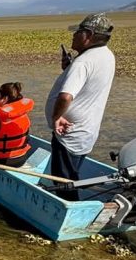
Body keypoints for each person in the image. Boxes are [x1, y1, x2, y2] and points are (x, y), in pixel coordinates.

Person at [45, 12, 116, 200]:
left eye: (78, 32)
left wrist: (56, 118)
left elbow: (66, 96)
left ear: (89, 36)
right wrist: (69, 67)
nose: (73, 36)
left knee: (63, 182)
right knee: (72, 173)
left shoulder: (83, 63)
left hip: (68, 133)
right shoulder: (106, 55)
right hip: (87, 130)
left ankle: (70, 209)